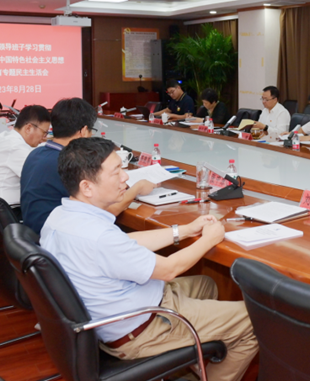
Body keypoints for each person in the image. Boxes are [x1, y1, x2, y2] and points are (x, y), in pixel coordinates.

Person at [41, 137, 257, 381]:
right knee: (255, 320)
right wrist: (209, 239)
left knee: (207, 284)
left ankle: (191, 362)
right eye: (116, 172)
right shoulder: (99, 237)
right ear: (87, 187)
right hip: (142, 330)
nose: (125, 177)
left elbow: (126, 243)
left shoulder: (60, 216)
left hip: (120, 314)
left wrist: (184, 230)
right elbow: (168, 269)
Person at [20, 98, 154, 234]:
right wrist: (138, 188)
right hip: (59, 237)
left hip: (34, 234)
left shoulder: (36, 153)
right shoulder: (67, 163)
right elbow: (107, 211)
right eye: (91, 131)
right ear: (83, 131)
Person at [0, 105, 50, 205]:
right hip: (3, 207)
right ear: (28, 128)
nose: (45, 138)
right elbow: (41, 178)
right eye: (44, 133)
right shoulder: (15, 146)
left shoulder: (7, 137)